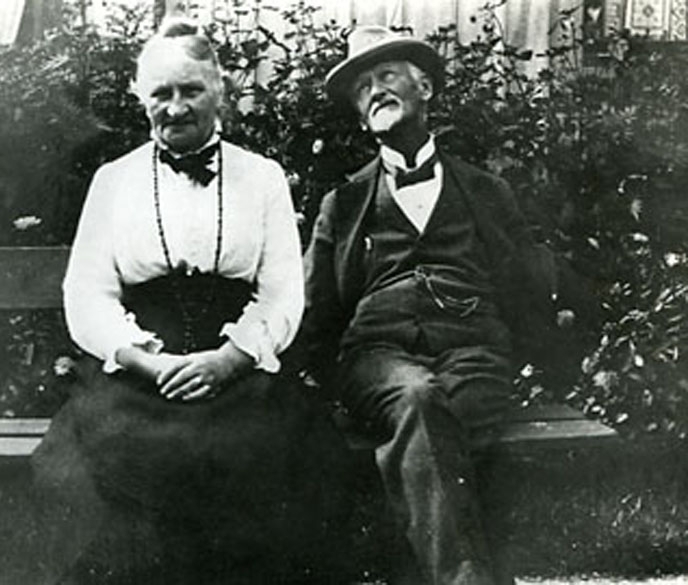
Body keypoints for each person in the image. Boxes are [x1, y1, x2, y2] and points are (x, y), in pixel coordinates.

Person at [33, 17, 349, 585]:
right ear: (141, 97)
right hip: (139, 373)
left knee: (268, 453)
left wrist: (229, 359)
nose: (176, 107)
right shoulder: (113, 181)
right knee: (105, 462)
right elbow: (86, 293)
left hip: (237, 369)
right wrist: (146, 361)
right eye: (161, 93)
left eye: (191, 90)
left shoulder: (263, 177)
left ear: (219, 92)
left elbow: (282, 291)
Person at [302, 25, 590, 585]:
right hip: (378, 360)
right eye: (362, 88)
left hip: (474, 353)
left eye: (387, 75)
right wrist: (319, 383)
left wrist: (545, 353)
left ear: (425, 88)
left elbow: (524, 286)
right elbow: (317, 306)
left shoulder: (486, 191)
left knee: (430, 422)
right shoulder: (344, 202)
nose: (375, 91)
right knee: (418, 400)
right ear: (361, 117)